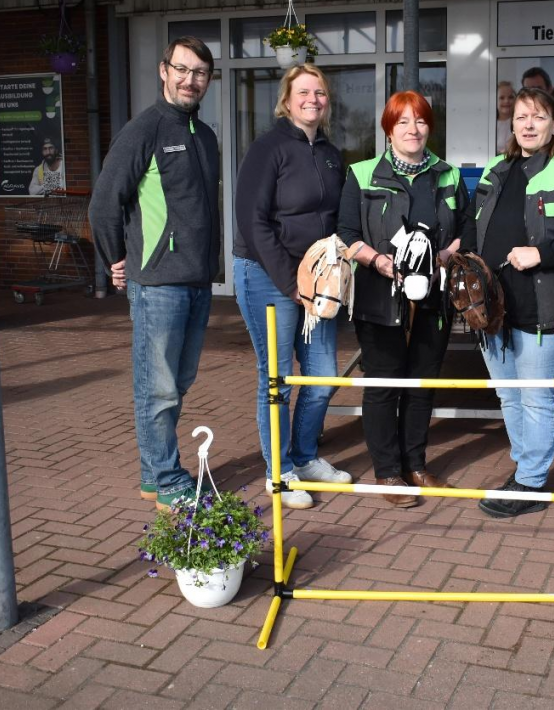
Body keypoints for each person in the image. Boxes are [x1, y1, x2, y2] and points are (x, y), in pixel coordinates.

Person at [460, 88, 554, 518]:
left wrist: (540, 252)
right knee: (509, 395)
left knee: (536, 396)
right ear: (512, 124)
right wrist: (468, 270)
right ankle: (525, 469)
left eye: (539, 117)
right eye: (522, 117)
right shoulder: (496, 169)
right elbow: (473, 227)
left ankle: (530, 482)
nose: (528, 124)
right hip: (493, 310)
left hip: (547, 305)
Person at [89, 36, 221, 510]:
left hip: (197, 280)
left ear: (208, 80)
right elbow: (105, 201)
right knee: (158, 385)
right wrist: (114, 259)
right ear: (163, 71)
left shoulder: (204, 136)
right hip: (158, 282)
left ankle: (153, 471)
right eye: (182, 70)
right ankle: (167, 479)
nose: (190, 80)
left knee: (178, 380)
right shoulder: (142, 130)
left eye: (200, 73)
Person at [337, 91, 469, 507]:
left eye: (421, 122)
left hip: (433, 296)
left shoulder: (447, 174)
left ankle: (416, 465)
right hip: (379, 295)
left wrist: (446, 254)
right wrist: (376, 261)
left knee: (421, 383)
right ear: (389, 129)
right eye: (403, 122)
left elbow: (468, 227)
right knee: (383, 384)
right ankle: (388, 472)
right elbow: (346, 234)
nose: (413, 130)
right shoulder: (361, 174)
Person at [233, 64, 352, 510]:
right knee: (278, 379)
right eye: (304, 92)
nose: (312, 100)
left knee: (321, 376)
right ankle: (278, 472)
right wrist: (290, 283)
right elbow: (253, 221)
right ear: (287, 99)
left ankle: (304, 457)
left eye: (319, 93)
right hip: (267, 276)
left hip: (317, 279)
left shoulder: (329, 152)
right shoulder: (267, 149)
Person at [496, 80, 515, 153]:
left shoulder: (521, 124)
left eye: (510, 97)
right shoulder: (489, 125)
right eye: (502, 98)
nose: (506, 101)